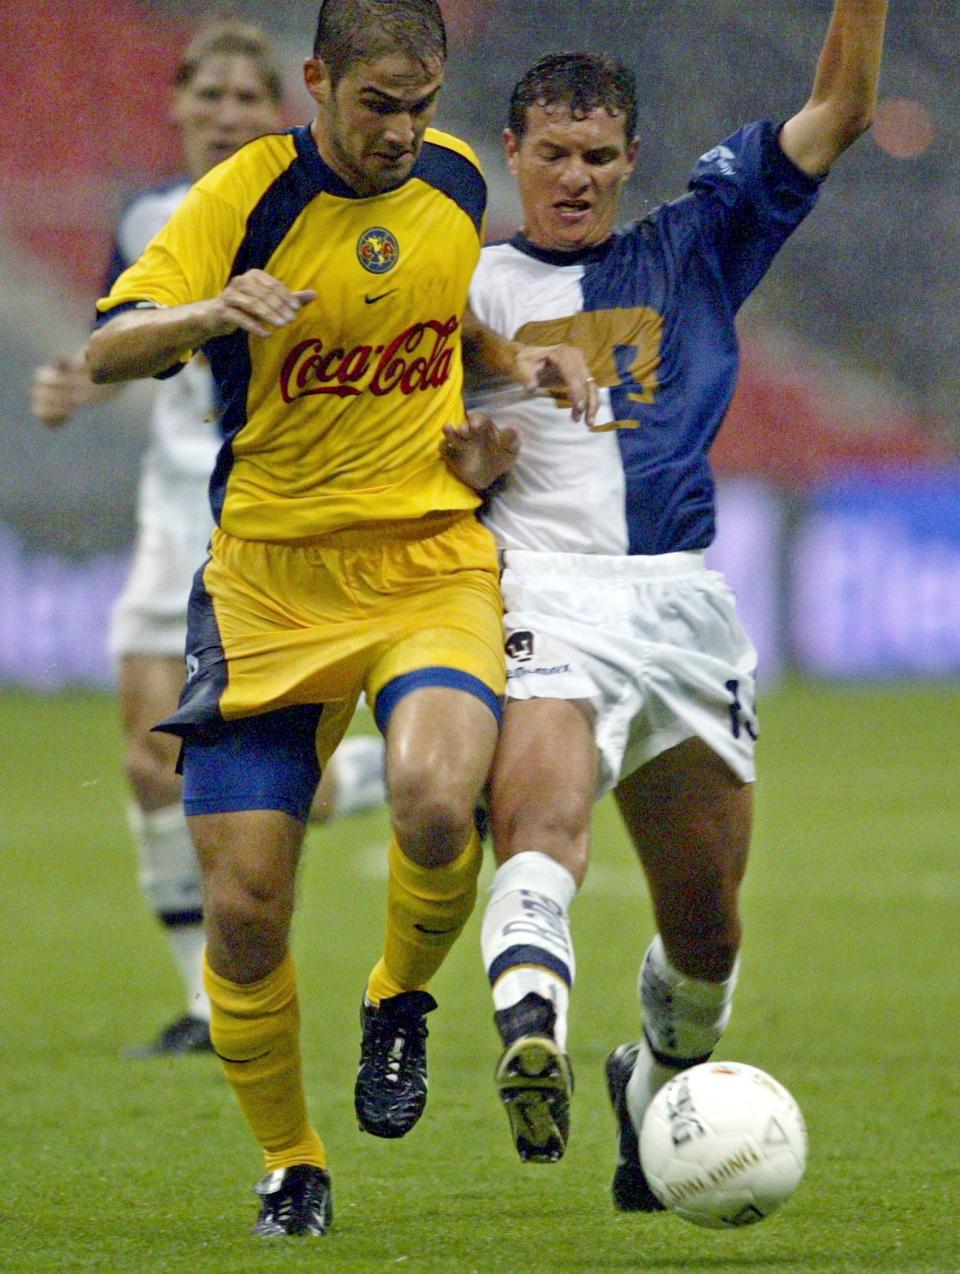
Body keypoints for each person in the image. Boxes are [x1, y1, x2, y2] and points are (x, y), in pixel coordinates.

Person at [84, 0, 592, 1239]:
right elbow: (108, 349)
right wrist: (208, 315)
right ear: (318, 81)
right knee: (249, 913)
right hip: (268, 582)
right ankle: (292, 1158)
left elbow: (441, 324)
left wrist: (522, 366)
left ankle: (398, 999)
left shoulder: (459, 180)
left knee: (432, 794)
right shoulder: (243, 200)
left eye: (422, 102)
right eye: (378, 105)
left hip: (427, 562)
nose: (405, 131)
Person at [446, 0, 888, 1198]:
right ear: (511, 152)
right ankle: (528, 1023)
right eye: (552, 153)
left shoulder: (697, 240)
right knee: (542, 829)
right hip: (544, 594)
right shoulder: (460, 290)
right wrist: (458, 467)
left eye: (598, 155)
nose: (576, 176)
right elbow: (394, 441)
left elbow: (842, 111)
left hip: (683, 611)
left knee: (708, 931)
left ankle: (648, 1082)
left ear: (631, 158)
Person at [32, 19, 387, 1060]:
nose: (227, 114)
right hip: (169, 509)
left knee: (253, 788)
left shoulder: (302, 210)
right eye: (211, 96)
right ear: (179, 106)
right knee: (150, 766)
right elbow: (130, 344)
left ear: (275, 111)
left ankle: (379, 777)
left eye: (247, 98)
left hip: (270, 515)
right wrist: (77, 384)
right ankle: (201, 1003)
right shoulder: (147, 216)